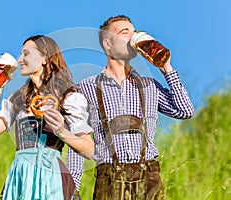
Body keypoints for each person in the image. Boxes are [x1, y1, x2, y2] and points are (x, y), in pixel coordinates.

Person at [67, 15, 195, 199]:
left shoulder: (149, 85)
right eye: (124, 32)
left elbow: (185, 110)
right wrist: (73, 191)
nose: (132, 37)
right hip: (108, 179)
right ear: (107, 44)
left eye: (134, 32)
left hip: (149, 178)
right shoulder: (87, 87)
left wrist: (167, 67)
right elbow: (78, 140)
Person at [0, 35, 94, 200]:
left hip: (51, 177)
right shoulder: (17, 99)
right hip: (21, 175)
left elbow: (89, 150)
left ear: (45, 59)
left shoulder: (68, 98)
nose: (19, 60)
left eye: (26, 54)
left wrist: (62, 131)